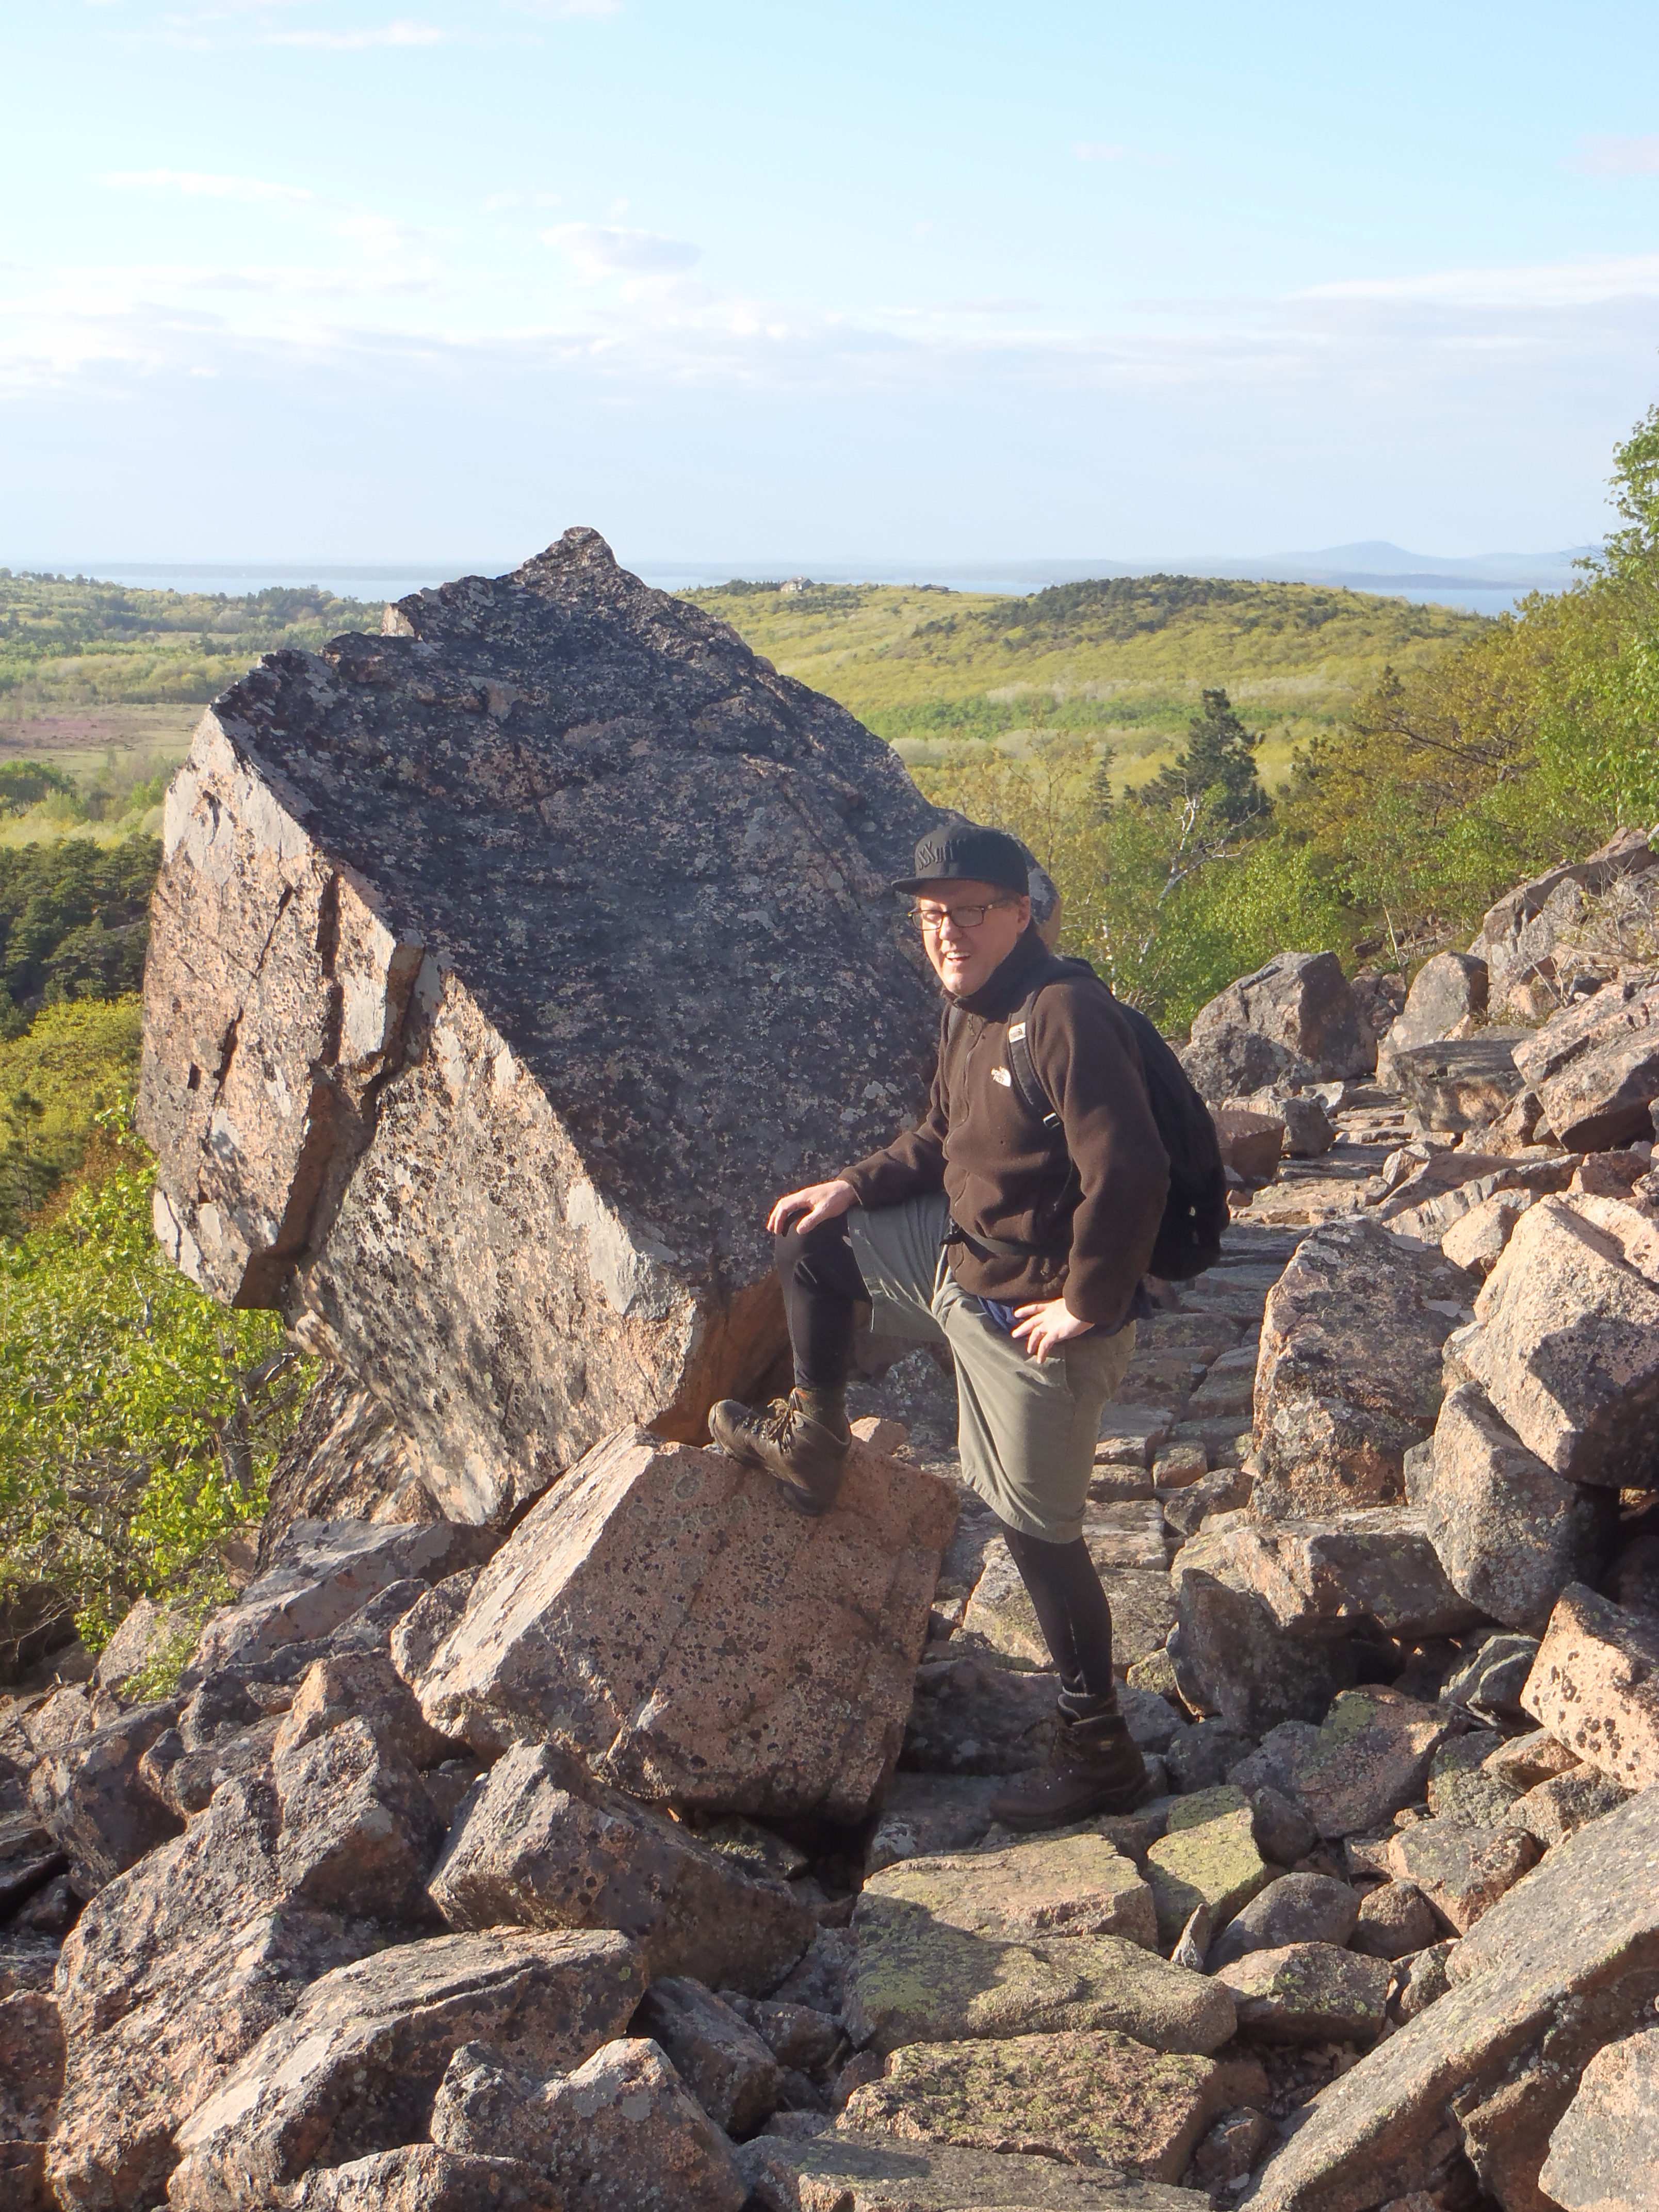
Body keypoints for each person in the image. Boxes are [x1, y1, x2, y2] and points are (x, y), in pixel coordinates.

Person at [709, 821, 1171, 1828]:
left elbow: (1131, 1169)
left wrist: (1089, 1299)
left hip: (1034, 1316)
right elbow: (940, 1138)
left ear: (1022, 911)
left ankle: (1101, 1750)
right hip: (961, 1268)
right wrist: (849, 1186)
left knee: (1037, 1533)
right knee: (814, 1246)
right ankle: (817, 1444)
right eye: (932, 916)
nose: (949, 931)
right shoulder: (974, 1007)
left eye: (971, 910)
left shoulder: (1061, 1013)